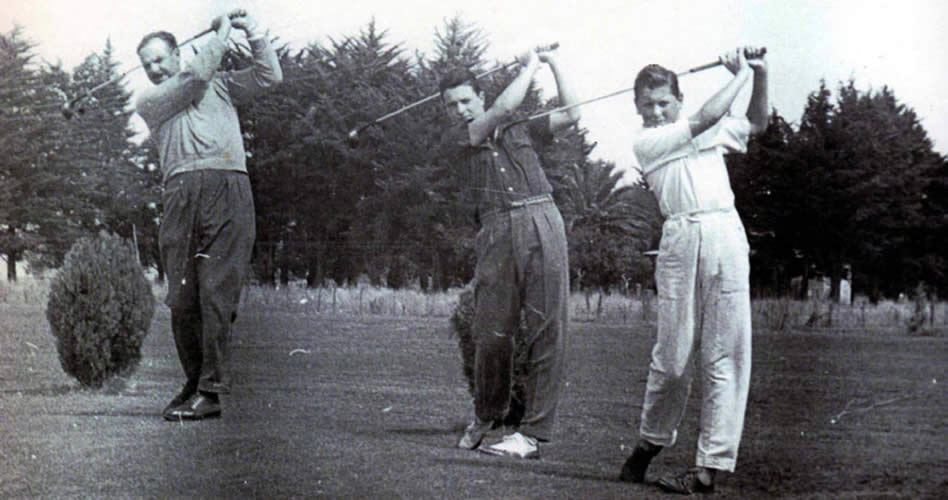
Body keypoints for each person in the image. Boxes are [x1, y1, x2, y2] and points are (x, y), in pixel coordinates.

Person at [618, 46, 768, 494]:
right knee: (674, 357)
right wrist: (739, 72)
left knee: (726, 353)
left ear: (677, 100)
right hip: (681, 238)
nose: (657, 111)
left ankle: (709, 469)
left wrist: (760, 72)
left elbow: (757, 123)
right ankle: (649, 444)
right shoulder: (647, 142)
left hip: (725, 231)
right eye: (648, 104)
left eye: (665, 102)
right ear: (637, 107)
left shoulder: (705, 125)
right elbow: (703, 119)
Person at [135, 9, 282, 421]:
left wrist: (250, 29)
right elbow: (195, 77)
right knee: (182, 299)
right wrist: (220, 35)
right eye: (147, 64)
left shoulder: (222, 85)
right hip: (180, 193)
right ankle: (195, 380)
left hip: (228, 188)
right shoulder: (150, 100)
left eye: (160, 59)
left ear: (177, 53)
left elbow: (270, 77)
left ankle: (210, 391)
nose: (154, 69)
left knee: (216, 294)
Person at [439, 48, 579, 459]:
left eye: (466, 100)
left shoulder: (520, 126)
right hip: (496, 229)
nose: (460, 110)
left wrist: (553, 63)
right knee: (491, 333)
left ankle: (532, 435)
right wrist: (528, 66)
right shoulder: (458, 139)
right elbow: (502, 106)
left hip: (542, 216)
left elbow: (571, 113)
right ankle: (487, 414)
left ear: (477, 95)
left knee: (547, 329)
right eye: (451, 105)